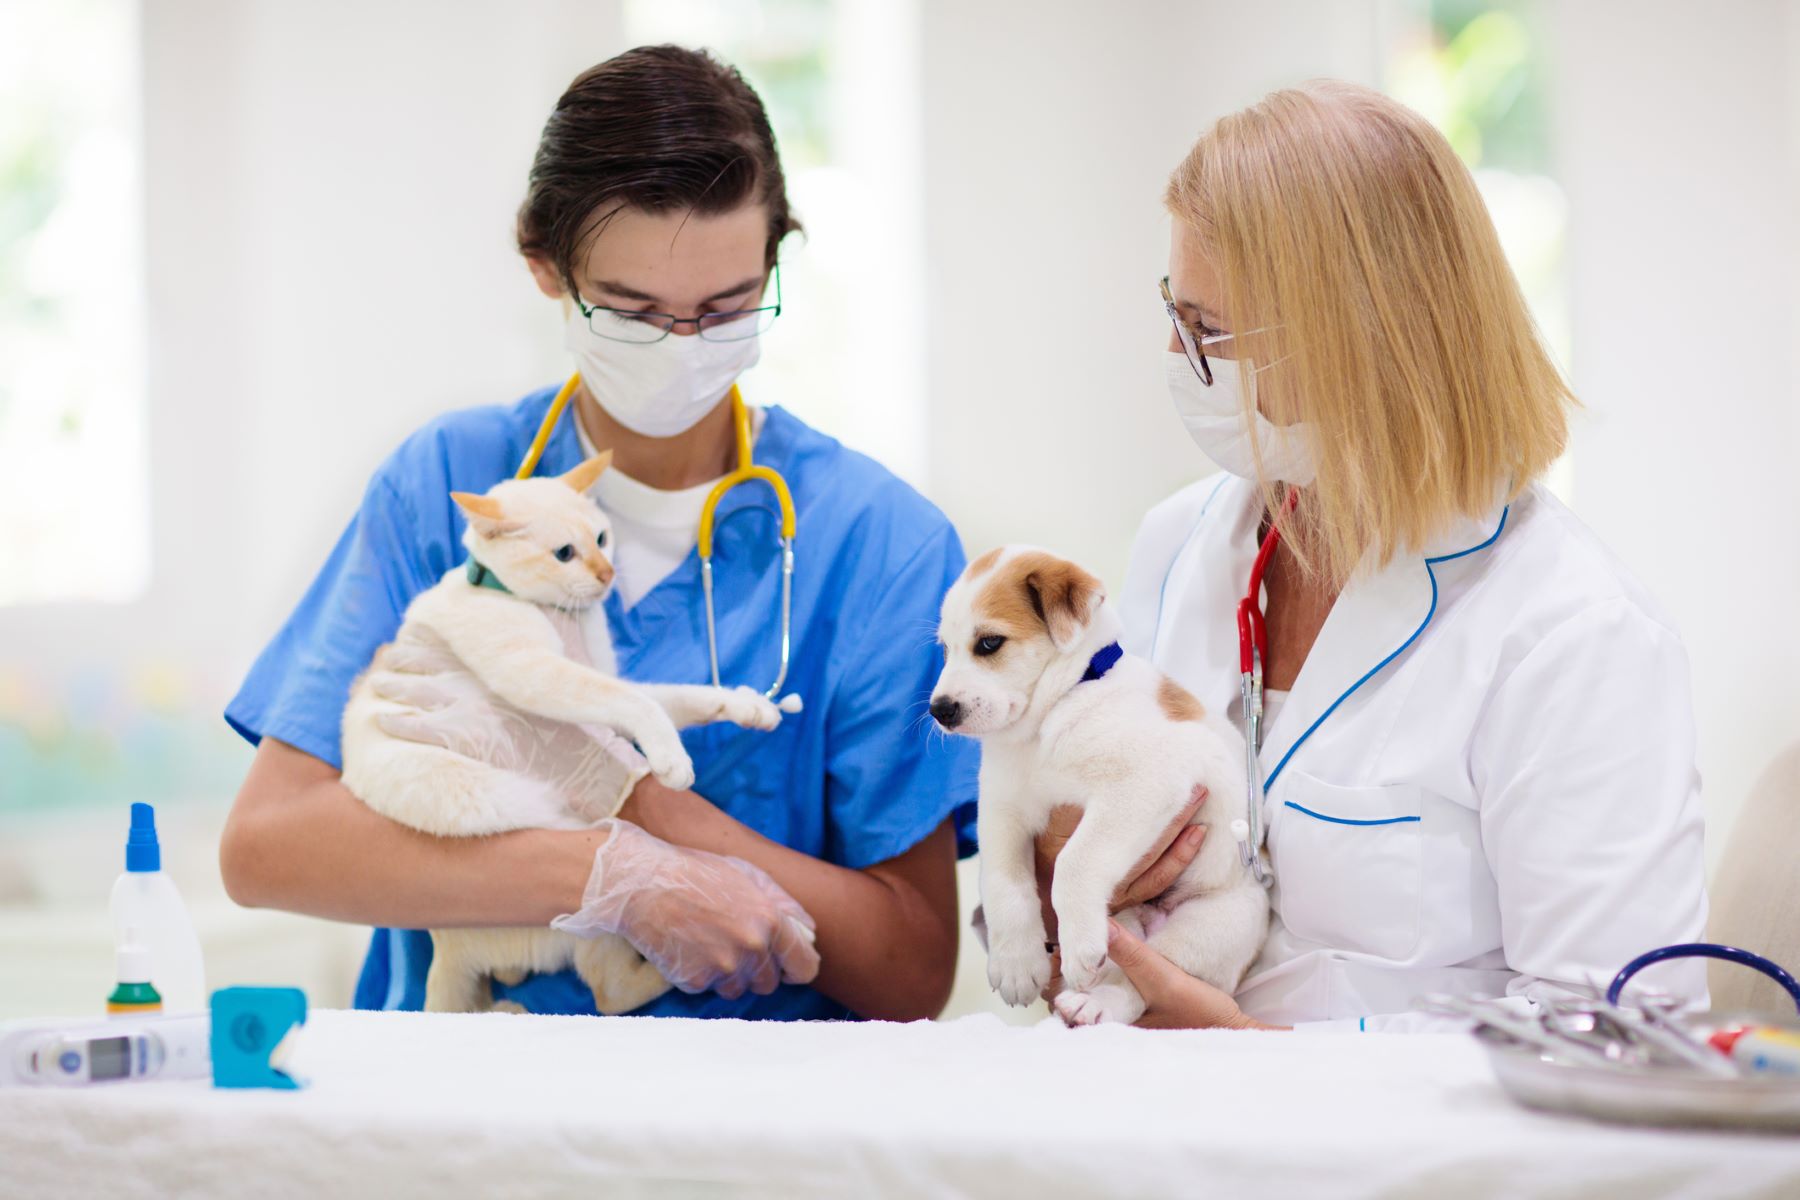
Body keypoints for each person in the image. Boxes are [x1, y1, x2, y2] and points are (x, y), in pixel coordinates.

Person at [219, 45, 977, 1022]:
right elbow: (269, 845)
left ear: (773, 259)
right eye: (631, 311)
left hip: (746, 1144)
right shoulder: (447, 485)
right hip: (459, 1131)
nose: (683, 348)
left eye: (727, 307)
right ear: (546, 265)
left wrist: (653, 812)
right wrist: (602, 872)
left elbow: (910, 965)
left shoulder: (877, 543)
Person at [1039, 81, 1708, 1031]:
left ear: (1371, 344)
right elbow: (1070, 898)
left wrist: (1254, 1056)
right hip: (1147, 1119)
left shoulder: (1572, 636)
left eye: (1218, 337)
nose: (1188, 363)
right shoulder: (1181, 543)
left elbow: (1619, 1045)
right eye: (1179, 319)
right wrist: (1062, 868)